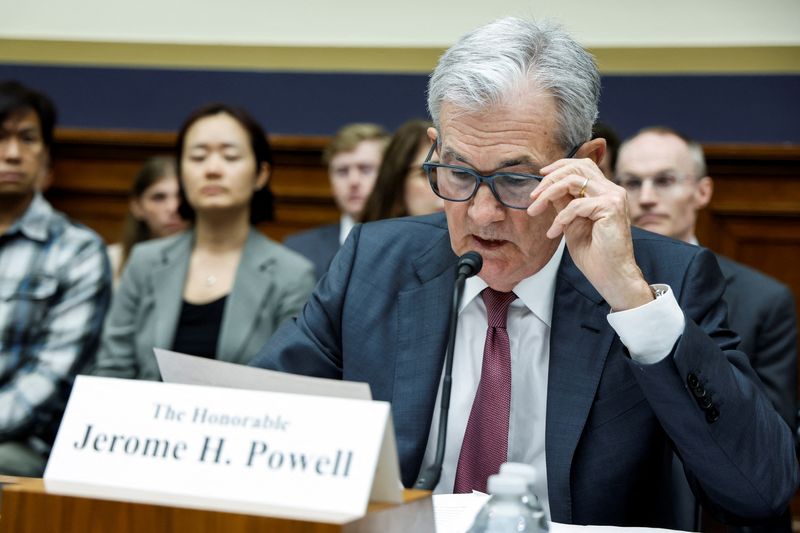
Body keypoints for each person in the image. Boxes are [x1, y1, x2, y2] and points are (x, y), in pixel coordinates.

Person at [251, 18, 797, 527]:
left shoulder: (661, 278)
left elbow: (761, 488)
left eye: (516, 180)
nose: (483, 214)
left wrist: (631, 300)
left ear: (588, 166)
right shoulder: (376, 261)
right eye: (458, 173)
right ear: (435, 151)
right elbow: (258, 420)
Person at [615, 126, 798, 532]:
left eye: (664, 180)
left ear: (702, 192)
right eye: (631, 182)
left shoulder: (763, 299)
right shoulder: (589, 287)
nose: (646, 196)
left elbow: (769, 436)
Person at [92, 103, 315, 380]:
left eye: (230, 156)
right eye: (197, 157)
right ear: (182, 174)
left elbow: (290, 383)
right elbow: (112, 372)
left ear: (261, 174)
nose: (212, 169)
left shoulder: (292, 274)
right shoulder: (145, 261)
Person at [0, 80, 111, 475]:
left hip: (22, 442)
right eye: (0, 137)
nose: (12, 153)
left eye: (27, 139)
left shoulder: (77, 250)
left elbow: (50, 379)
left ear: (46, 158)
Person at [284, 123, 389, 279]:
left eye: (365, 169)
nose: (353, 181)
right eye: (342, 171)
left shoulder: (411, 243)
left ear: (390, 173)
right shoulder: (298, 250)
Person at [107, 156, 187, 285]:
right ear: (137, 207)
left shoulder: (209, 262)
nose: (173, 208)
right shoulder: (110, 262)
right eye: (159, 198)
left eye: (181, 197)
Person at [360, 118, 444, 222]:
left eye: (456, 173)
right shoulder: (366, 236)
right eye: (433, 171)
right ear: (397, 186)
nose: (448, 186)